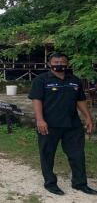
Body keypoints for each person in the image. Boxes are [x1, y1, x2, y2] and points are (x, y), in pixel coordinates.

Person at [29, 53, 96, 196]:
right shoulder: (41, 80)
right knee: (47, 155)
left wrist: (88, 118)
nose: (59, 63)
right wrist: (40, 120)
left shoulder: (75, 81)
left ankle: (80, 183)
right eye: (56, 61)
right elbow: (36, 100)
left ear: (67, 64)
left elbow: (80, 100)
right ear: (49, 64)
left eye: (62, 61)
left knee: (77, 154)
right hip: (49, 125)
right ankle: (50, 183)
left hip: (73, 125)